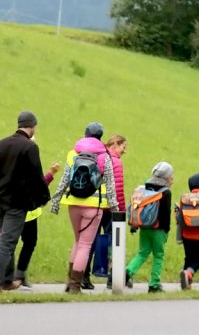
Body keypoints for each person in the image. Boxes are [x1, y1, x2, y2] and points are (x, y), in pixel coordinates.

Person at [50, 122, 119, 294]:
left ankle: (69, 281)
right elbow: (111, 186)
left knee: (78, 241)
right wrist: (115, 208)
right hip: (94, 206)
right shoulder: (105, 156)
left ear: (85, 134)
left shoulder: (73, 153)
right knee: (85, 245)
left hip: (73, 203)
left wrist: (56, 201)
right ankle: (75, 285)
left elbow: (65, 179)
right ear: (100, 137)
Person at [0, 112, 51, 292]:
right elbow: (35, 176)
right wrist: (43, 197)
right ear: (33, 126)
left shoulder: (3, 144)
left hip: (0, 200)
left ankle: (7, 281)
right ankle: (2, 281)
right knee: (7, 243)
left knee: (5, 241)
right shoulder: (29, 147)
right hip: (16, 202)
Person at [5, 159, 59, 290]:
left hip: (26, 214)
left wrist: (50, 174)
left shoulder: (10, 169)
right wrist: (51, 173)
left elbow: (39, 186)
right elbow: (38, 187)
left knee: (23, 243)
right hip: (23, 214)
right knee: (16, 244)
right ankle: (13, 277)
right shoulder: (25, 170)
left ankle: (18, 276)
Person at [83, 134, 127, 289]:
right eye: (123, 147)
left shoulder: (97, 157)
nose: (124, 151)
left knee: (89, 242)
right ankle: (112, 278)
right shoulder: (115, 161)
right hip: (109, 209)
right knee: (113, 243)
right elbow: (118, 189)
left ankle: (84, 276)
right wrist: (121, 210)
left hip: (93, 205)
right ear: (115, 144)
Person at [125, 162, 173, 293]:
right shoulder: (166, 192)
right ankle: (154, 285)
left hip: (144, 227)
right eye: (171, 177)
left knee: (142, 252)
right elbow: (165, 214)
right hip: (158, 229)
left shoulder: (144, 188)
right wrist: (166, 230)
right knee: (158, 255)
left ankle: (127, 272)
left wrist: (135, 225)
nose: (172, 179)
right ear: (167, 178)